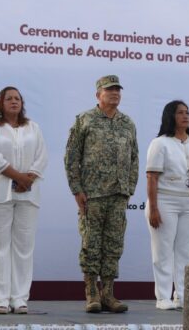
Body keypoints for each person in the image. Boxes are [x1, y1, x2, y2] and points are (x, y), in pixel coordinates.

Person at [64, 74, 138, 313]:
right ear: (98, 95)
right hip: (92, 195)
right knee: (91, 244)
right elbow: (71, 157)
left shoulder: (128, 123)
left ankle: (108, 294)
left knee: (114, 244)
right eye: (109, 90)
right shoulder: (84, 120)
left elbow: (134, 158)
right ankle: (91, 293)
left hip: (118, 194)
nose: (115, 93)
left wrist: (129, 189)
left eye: (117, 90)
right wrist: (77, 189)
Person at [0, 87, 47, 315]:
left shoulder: (33, 127)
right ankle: (1, 299)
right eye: (9, 98)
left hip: (28, 196)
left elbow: (42, 156)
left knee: (24, 248)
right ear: (0, 103)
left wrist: (29, 180)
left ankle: (19, 299)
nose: (14, 101)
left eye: (17, 98)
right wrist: (20, 178)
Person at [145, 100, 189, 310]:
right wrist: (153, 208)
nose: (186, 116)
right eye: (180, 113)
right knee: (163, 250)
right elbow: (152, 177)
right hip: (165, 201)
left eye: (188, 112)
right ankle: (163, 297)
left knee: (186, 252)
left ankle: (182, 295)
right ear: (170, 117)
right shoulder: (160, 143)